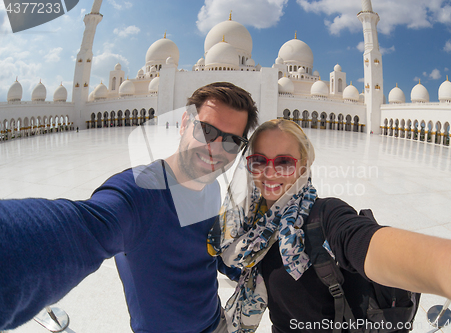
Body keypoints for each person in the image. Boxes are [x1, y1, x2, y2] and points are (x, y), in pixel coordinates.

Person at [0, 82, 258, 332]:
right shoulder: (139, 193)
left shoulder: (211, 187)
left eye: (231, 142)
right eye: (207, 131)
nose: (215, 149)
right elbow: (82, 228)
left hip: (218, 322)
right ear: (184, 123)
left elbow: (207, 250)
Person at [208, 119, 451, 332]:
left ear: (303, 165)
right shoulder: (247, 230)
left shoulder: (325, 214)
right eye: (259, 161)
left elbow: (363, 241)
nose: (269, 172)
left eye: (284, 162)